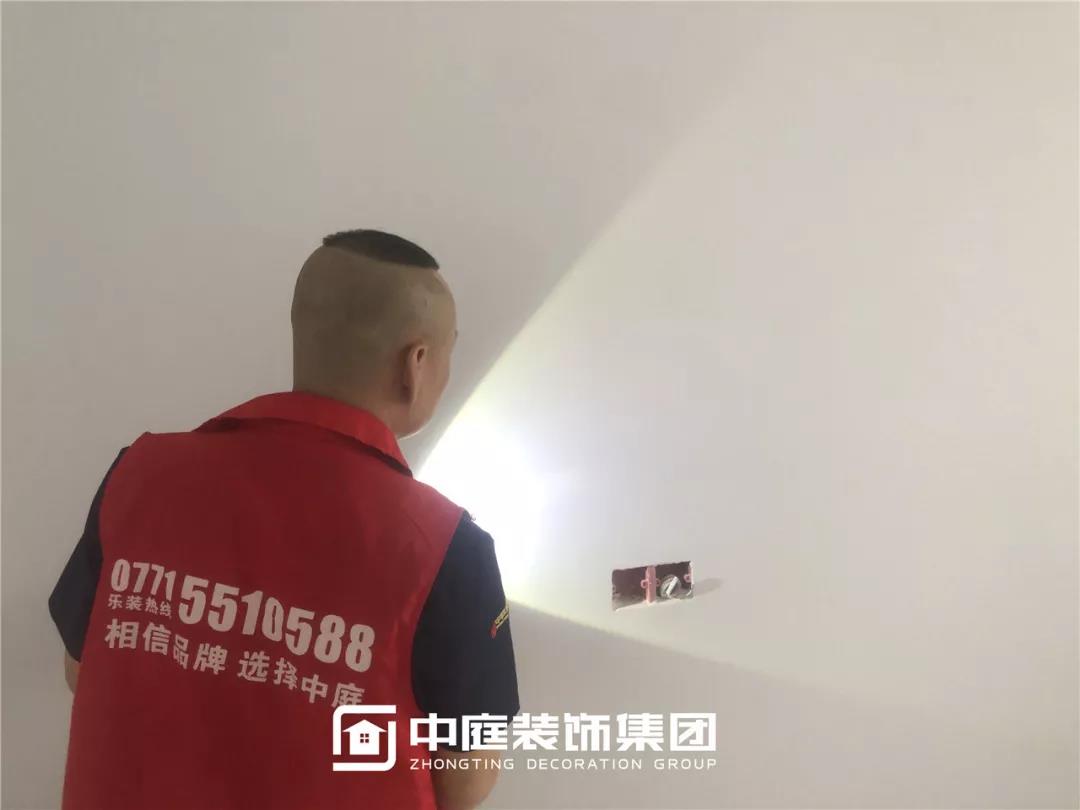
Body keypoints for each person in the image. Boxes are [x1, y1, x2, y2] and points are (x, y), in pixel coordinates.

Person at [48, 229, 520, 810]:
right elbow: (467, 779)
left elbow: (81, 667)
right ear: (415, 364)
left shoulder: (139, 473)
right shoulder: (446, 547)